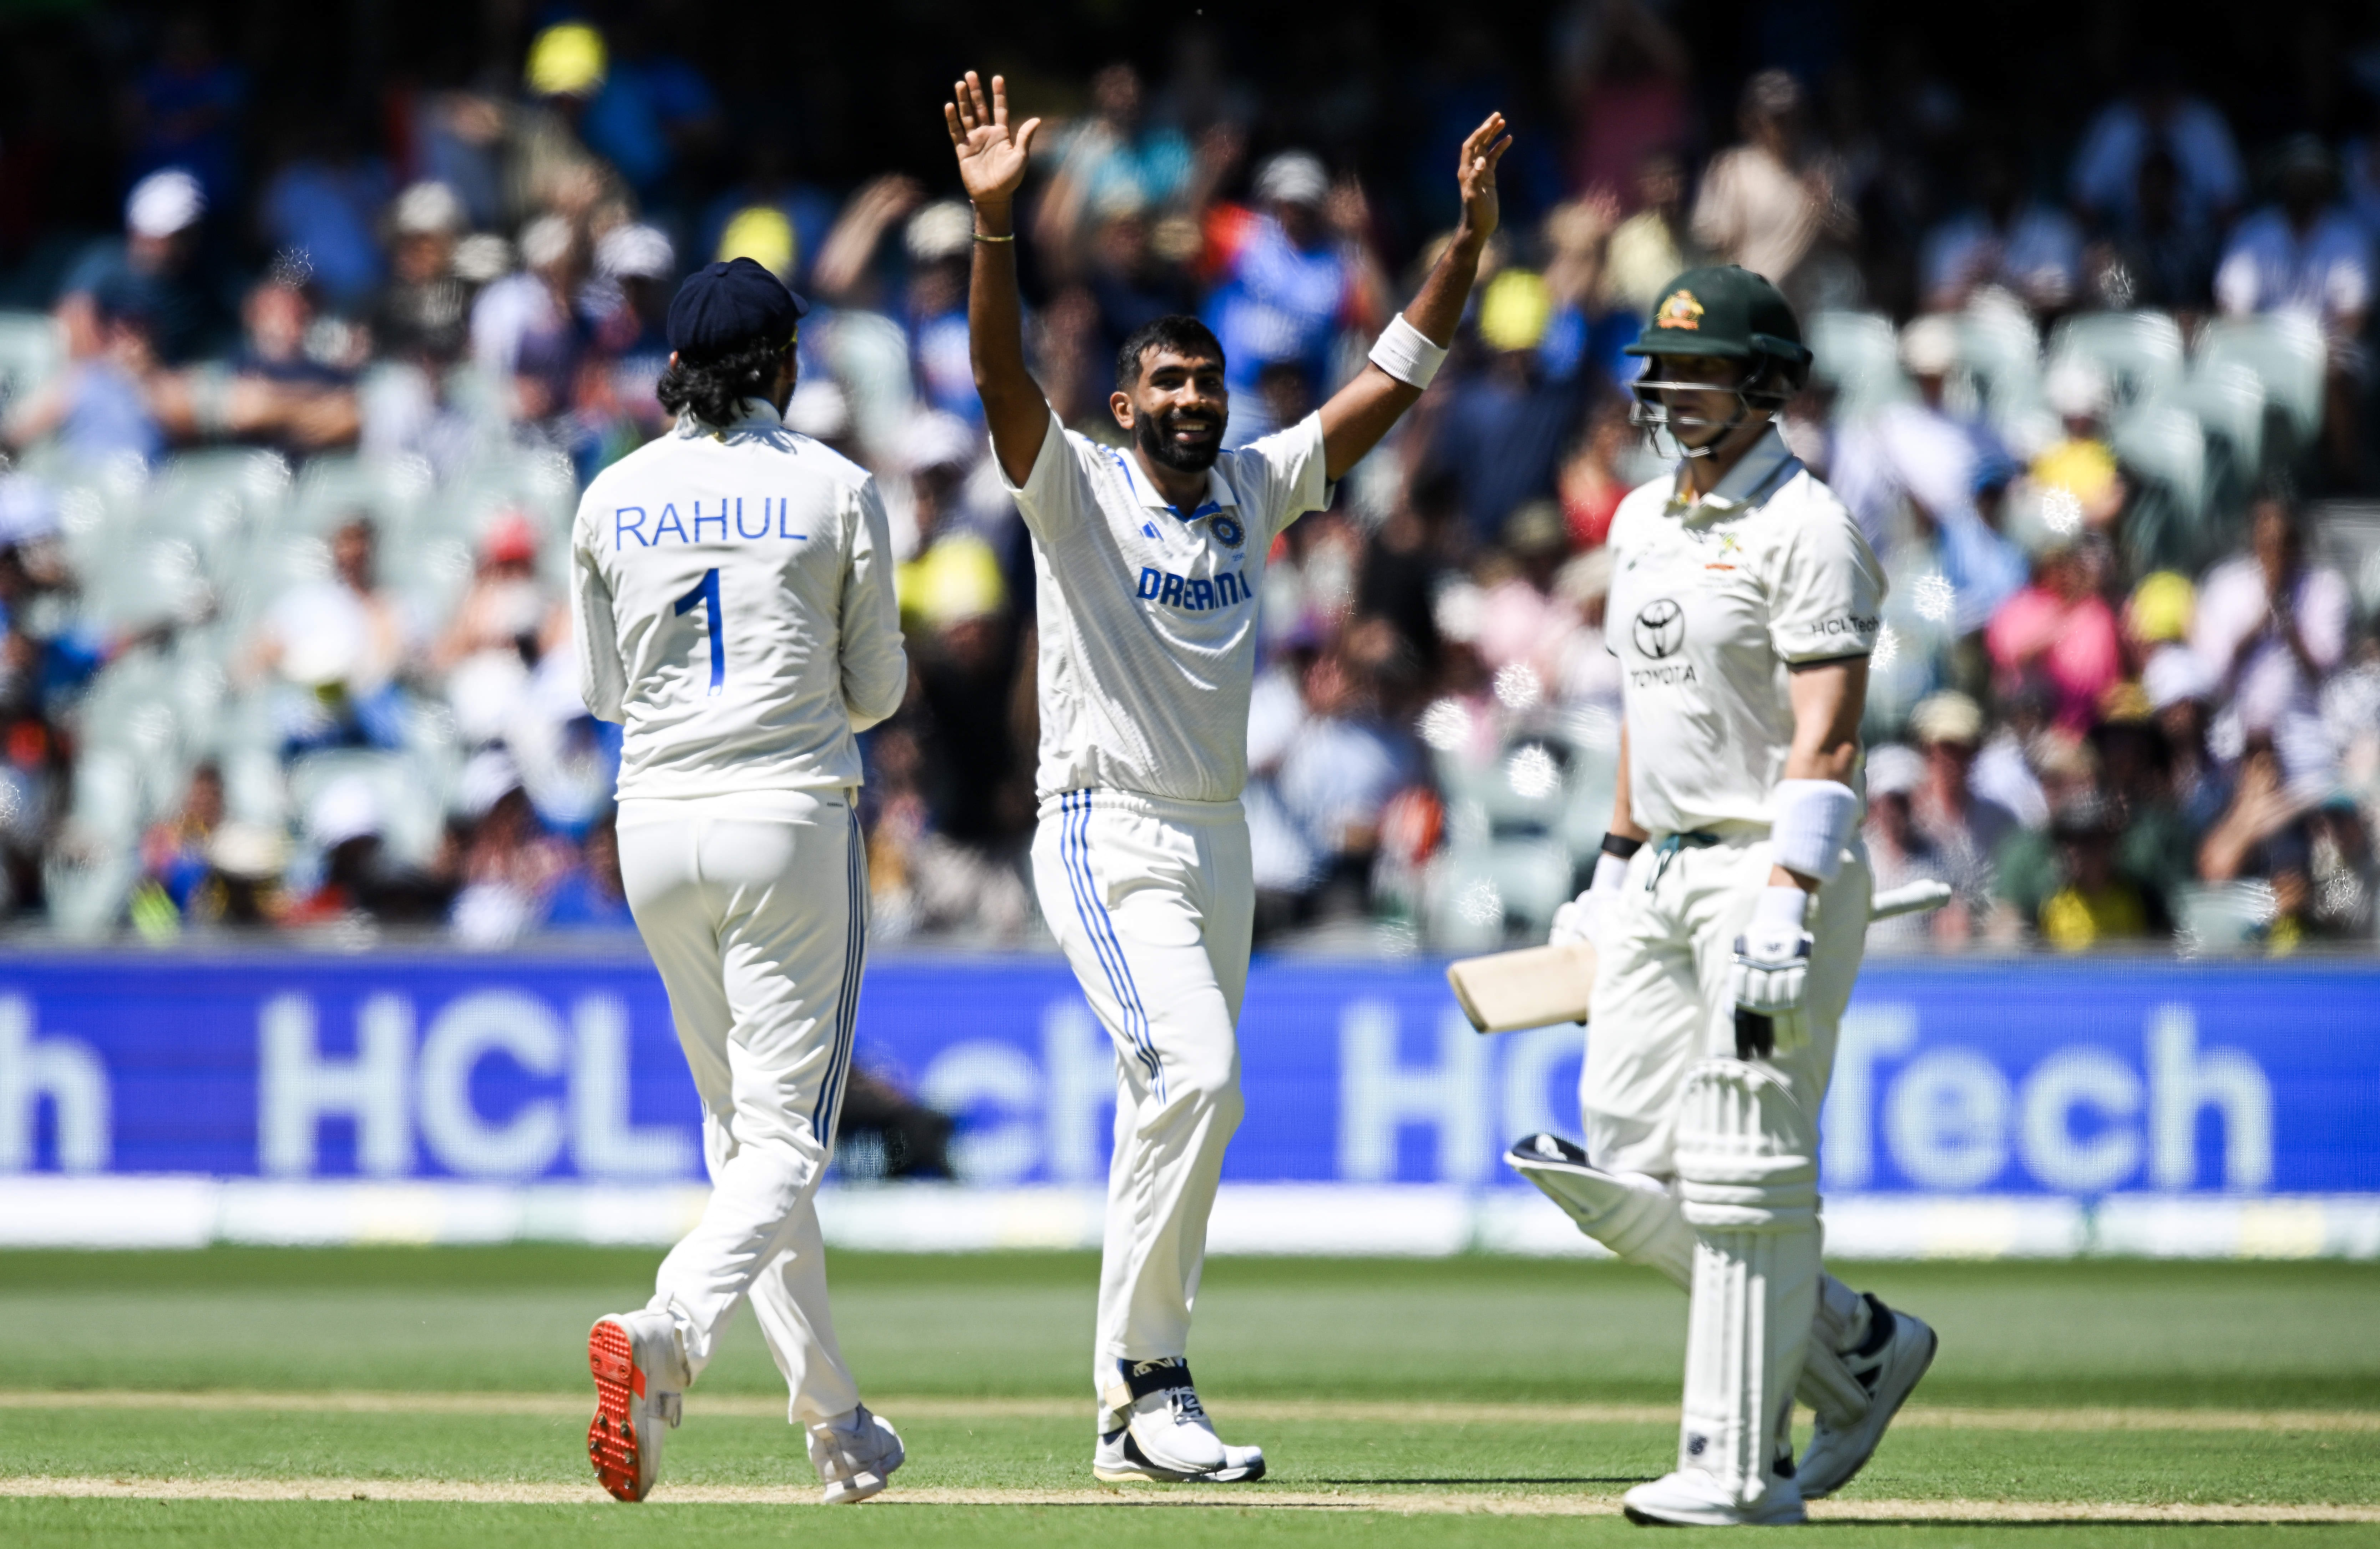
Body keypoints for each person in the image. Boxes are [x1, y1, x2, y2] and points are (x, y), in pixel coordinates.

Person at [946, 69, 1507, 1484]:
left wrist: (1466, 247)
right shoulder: (1073, 485)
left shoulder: (1255, 487)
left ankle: (1122, 1422)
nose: (1194, 400)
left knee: (1177, 1105)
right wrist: (998, 231)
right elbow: (1002, 376)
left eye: (1208, 382)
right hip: (1100, 828)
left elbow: (1394, 377)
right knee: (1197, 1076)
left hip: (1218, 844)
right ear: (1128, 401)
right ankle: (1154, 1384)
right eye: (1170, 383)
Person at [1512, 264, 1933, 1525]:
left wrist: (1791, 893)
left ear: (1765, 383)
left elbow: (1833, 739)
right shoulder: (1642, 521)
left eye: (1701, 369)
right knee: (1626, 1160)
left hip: (1767, 863)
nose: (1675, 388)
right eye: (1665, 367)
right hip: (1663, 869)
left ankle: (1736, 1469)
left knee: (1748, 1163)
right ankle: (1856, 1345)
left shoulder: (1808, 528)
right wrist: (1607, 872)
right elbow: (1649, 717)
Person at [570, 257, 909, 1506]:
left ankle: (838, 1425)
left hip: (652, 824)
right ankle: (669, 1331)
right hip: (788, 818)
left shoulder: (611, 494)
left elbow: (605, 694)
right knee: (785, 1139)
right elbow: (877, 691)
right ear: (782, 364)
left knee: (744, 1146)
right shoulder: (834, 487)